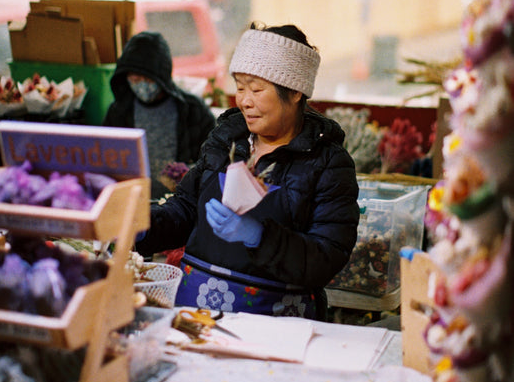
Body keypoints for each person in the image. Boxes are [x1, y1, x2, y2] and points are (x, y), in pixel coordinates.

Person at [136, 22, 360, 320]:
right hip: (195, 315)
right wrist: (134, 224)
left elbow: (328, 256)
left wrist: (259, 236)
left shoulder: (328, 163)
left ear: (294, 92)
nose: (244, 100)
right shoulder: (227, 140)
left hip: (276, 326)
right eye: (240, 87)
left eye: (256, 89)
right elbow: (186, 209)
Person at [103, 31, 216, 198]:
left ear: (161, 77)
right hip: (132, 203)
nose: (140, 85)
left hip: (179, 207)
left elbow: (215, 160)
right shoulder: (119, 112)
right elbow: (104, 161)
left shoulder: (192, 111)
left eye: (146, 79)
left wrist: (190, 176)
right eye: (134, 80)